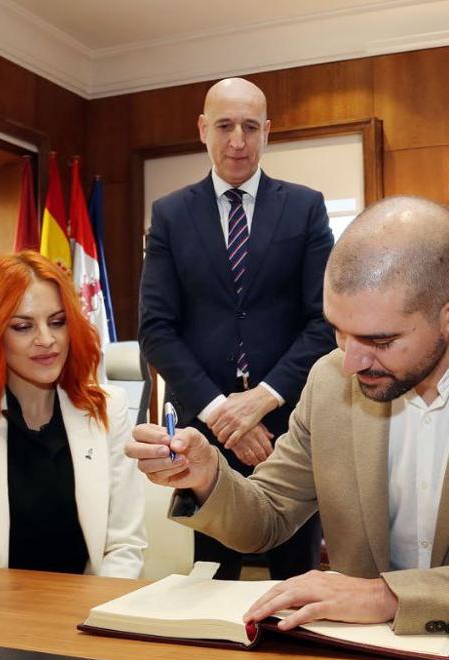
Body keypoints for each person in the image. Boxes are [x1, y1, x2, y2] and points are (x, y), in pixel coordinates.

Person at [128, 196, 449, 637]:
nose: (349, 362)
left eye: (380, 341)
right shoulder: (329, 381)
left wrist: (389, 597)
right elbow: (270, 516)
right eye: (339, 332)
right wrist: (209, 477)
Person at [138, 77, 334, 580]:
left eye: (250, 127)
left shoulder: (305, 207)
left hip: (289, 431)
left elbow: (325, 321)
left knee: (296, 582)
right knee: (211, 580)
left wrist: (263, 399)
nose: (238, 141)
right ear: (204, 130)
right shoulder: (170, 215)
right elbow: (157, 329)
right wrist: (223, 413)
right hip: (204, 440)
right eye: (224, 126)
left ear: (267, 132)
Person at [0, 251, 147, 578]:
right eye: (23, 326)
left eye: (58, 322)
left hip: (92, 611)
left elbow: (124, 546)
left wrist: (96, 617)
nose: (47, 339)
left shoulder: (109, 408)